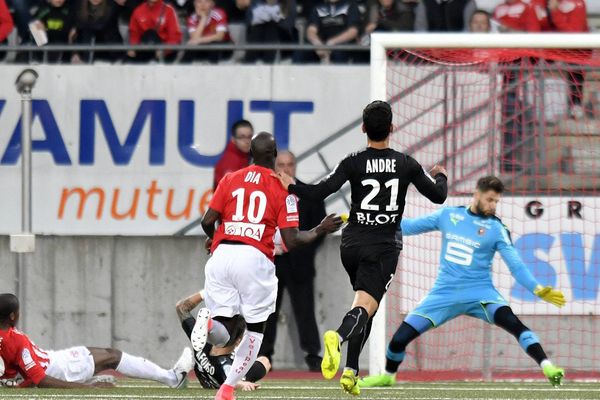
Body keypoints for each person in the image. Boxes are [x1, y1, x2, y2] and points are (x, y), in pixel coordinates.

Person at [272, 100, 448, 395]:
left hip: (351, 244)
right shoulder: (406, 164)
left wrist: (291, 184)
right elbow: (438, 196)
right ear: (392, 128)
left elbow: (318, 193)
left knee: (366, 305)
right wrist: (440, 174)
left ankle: (351, 370)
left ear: (363, 128)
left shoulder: (352, 161)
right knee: (365, 306)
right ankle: (337, 338)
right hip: (383, 247)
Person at [358, 176, 566, 388]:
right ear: (477, 194)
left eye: (496, 201)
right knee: (398, 340)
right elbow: (408, 226)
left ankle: (548, 367)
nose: (493, 206)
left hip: (481, 294)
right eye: (490, 200)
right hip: (443, 295)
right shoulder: (449, 215)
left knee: (515, 325)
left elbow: (516, 266)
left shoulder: (497, 229)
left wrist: (537, 289)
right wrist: (363, 220)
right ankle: (388, 376)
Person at [192, 132, 343, 400]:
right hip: (254, 258)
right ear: (273, 155)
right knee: (255, 329)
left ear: (250, 153)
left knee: (223, 331)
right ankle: (226, 388)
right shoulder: (281, 187)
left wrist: (213, 238)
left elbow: (207, 221)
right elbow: (293, 239)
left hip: (221, 255)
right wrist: (321, 228)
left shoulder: (230, 179)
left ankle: (206, 324)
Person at [0, 293, 194, 389]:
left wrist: (12, 382)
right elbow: (40, 379)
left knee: (106, 354)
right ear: (12, 316)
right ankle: (172, 378)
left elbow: (20, 373)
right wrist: (88, 389)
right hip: (60, 368)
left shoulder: (5, 337)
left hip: (53, 358)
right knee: (113, 357)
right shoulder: (15, 339)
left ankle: (89, 375)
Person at [258, 151, 326, 371]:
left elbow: (320, 227)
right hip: (271, 262)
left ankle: (313, 355)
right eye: (281, 165)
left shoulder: (308, 193)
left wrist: (302, 248)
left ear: (295, 167)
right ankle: (264, 356)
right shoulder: (264, 193)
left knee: (305, 310)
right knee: (268, 311)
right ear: (274, 166)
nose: (286, 169)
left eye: (290, 164)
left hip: (300, 262)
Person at [176, 290, 270, 390]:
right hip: (230, 373)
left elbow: (181, 308)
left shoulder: (200, 340)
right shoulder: (225, 362)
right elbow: (265, 363)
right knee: (263, 361)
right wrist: (244, 383)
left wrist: (206, 293)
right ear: (239, 340)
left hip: (219, 370)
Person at [294, 0, 360, 64]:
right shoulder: (318, 6)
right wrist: (318, 44)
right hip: (322, 44)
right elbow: (311, 30)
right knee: (300, 52)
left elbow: (353, 31)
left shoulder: (350, 4)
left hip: (342, 44)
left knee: (339, 52)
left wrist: (331, 43)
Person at [213, 119, 253, 190]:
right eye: (242, 137)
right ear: (233, 139)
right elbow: (232, 193)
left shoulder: (247, 156)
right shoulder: (229, 162)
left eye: (249, 137)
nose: (247, 141)